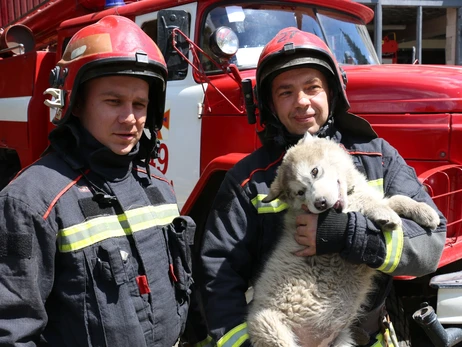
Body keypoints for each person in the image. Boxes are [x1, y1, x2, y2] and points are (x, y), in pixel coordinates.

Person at [198, 27, 447, 347]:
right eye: (285, 92)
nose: (301, 102)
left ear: (331, 91)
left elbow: (430, 247)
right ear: (270, 104)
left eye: (311, 87)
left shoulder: (378, 158)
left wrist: (355, 237)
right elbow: (217, 281)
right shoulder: (250, 180)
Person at [0, 15, 196, 346]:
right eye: (113, 101)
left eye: (140, 104)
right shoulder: (30, 203)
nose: (130, 118)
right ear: (75, 103)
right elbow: (13, 333)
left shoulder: (159, 192)